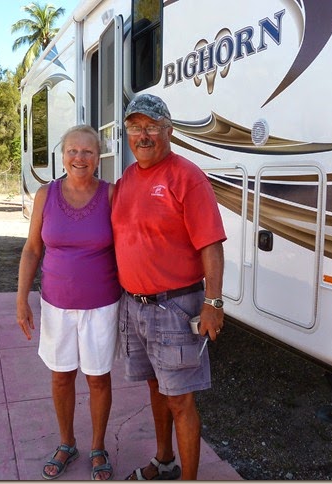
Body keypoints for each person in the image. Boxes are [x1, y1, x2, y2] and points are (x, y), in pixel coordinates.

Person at [111, 94, 227, 480]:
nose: (142, 135)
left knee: (180, 400)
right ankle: (164, 461)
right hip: (135, 307)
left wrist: (213, 302)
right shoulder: (127, 179)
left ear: (169, 131)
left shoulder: (186, 177)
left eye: (151, 127)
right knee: (156, 389)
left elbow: (211, 244)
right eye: (135, 127)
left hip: (174, 308)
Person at [17, 125, 121, 481]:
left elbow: (128, 245)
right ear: (62, 156)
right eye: (72, 151)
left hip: (102, 305)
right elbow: (32, 249)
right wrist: (21, 299)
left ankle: (98, 446)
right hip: (56, 305)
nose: (80, 158)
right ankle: (67, 442)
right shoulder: (45, 195)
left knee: (98, 379)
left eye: (87, 152)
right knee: (61, 376)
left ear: (98, 157)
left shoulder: (110, 195)